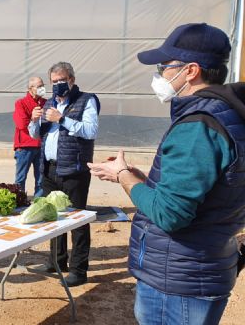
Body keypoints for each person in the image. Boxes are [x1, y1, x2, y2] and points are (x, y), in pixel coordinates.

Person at [87, 23, 245, 324]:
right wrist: (146, 181)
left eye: (164, 67)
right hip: (202, 269)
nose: (160, 75)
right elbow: (207, 194)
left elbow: (170, 214)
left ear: (190, 70)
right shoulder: (229, 115)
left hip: (178, 281)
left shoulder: (198, 126)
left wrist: (122, 175)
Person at [28, 61, 100, 287]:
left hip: (74, 170)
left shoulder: (87, 100)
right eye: (54, 81)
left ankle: (79, 270)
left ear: (72, 80)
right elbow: (35, 135)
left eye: (62, 80)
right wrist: (34, 120)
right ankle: (56, 261)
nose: (58, 85)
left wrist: (62, 119)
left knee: (77, 220)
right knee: (53, 218)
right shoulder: (48, 103)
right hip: (50, 169)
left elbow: (90, 131)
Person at [13, 76, 47, 197]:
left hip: (41, 146)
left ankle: (39, 204)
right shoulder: (20, 103)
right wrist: (33, 118)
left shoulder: (46, 103)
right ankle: (19, 202)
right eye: (39, 86)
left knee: (41, 180)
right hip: (25, 146)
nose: (42, 88)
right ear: (30, 88)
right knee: (20, 178)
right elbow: (21, 124)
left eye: (43, 85)